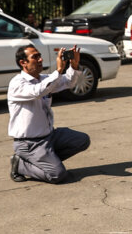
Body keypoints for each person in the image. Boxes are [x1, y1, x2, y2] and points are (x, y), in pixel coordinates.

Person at [7, 44, 91, 183]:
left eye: (40, 56)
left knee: (82, 140)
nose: (40, 60)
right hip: (30, 143)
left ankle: (48, 161)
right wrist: (58, 70)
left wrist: (74, 66)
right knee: (57, 175)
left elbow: (68, 82)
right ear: (23, 63)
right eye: (35, 57)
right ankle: (21, 165)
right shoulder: (17, 83)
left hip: (50, 136)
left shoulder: (44, 79)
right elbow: (37, 91)